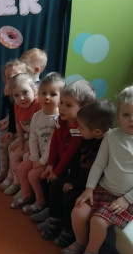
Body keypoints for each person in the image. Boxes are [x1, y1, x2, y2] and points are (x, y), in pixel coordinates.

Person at [61, 86, 133, 254]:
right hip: (103, 189)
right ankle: (81, 242)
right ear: (118, 116)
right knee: (78, 212)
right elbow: (98, 165)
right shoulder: (111, 136)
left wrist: (127, 199)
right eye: (126, 114)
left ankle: (91, 253)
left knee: (99, 222)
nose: (131, 119)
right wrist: (89, 189)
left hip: (126, 198)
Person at [39, 100, 115, 246]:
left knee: (70, 197)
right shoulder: (86, 136)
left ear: (97, 132)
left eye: (81, 127)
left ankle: (68, 230)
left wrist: (75, 184)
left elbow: (93, 171)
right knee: (55, 185)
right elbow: (75, 159)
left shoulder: (105, 144)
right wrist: (70, 179)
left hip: (89, 183)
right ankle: (55, 218)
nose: (78, 129)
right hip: (77, 176)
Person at [32, 80, 96, 224]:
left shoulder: (78, 129)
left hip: (72, 169)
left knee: (56, 185)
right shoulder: (60, 120)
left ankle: (56, 218)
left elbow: (70, 154)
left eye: (68, 105)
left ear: (83, 109)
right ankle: (49, 208)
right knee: (44, 178)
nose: (61, 107)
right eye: (61, 102)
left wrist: (56, 172)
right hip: (60, 163)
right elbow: (54, 143)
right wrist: (50, 165)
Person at [11, 73, 64, 212]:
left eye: (53, 94)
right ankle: (26, 196)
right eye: (43, 93)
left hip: (51, 159)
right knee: (22, 168)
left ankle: (40, 202)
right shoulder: (37, 116)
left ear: (61, 98)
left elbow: (53, 145)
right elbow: (33, 138)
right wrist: (34, 158)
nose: (47, 97)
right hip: (38, 156)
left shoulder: (60, 119)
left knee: (33, 175)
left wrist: (41, 161)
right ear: (38, 94)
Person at [0, 60, 33, 180]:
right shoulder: (12, 91)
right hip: (15, 122)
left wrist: (10, 129)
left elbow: (19, 115)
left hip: (22, 127)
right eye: (8, 77)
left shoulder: (27, 93)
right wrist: (7, 97)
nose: (12, 79)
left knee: (1, 136)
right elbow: (13, 111)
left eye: (15, 75)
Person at [0, 73, 42, 195]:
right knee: (13, 151)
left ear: (34, 90)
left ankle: (26, 187)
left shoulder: (38, 105)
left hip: (38, 141)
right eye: (16, 95)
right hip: (28, 138)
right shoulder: (17, 106)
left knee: (27, 157)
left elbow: (42, 131)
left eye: (25, 93)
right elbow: (18, 124)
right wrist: (21, 141)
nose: (21, 98)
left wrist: (31, 146)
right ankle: (16, 182)